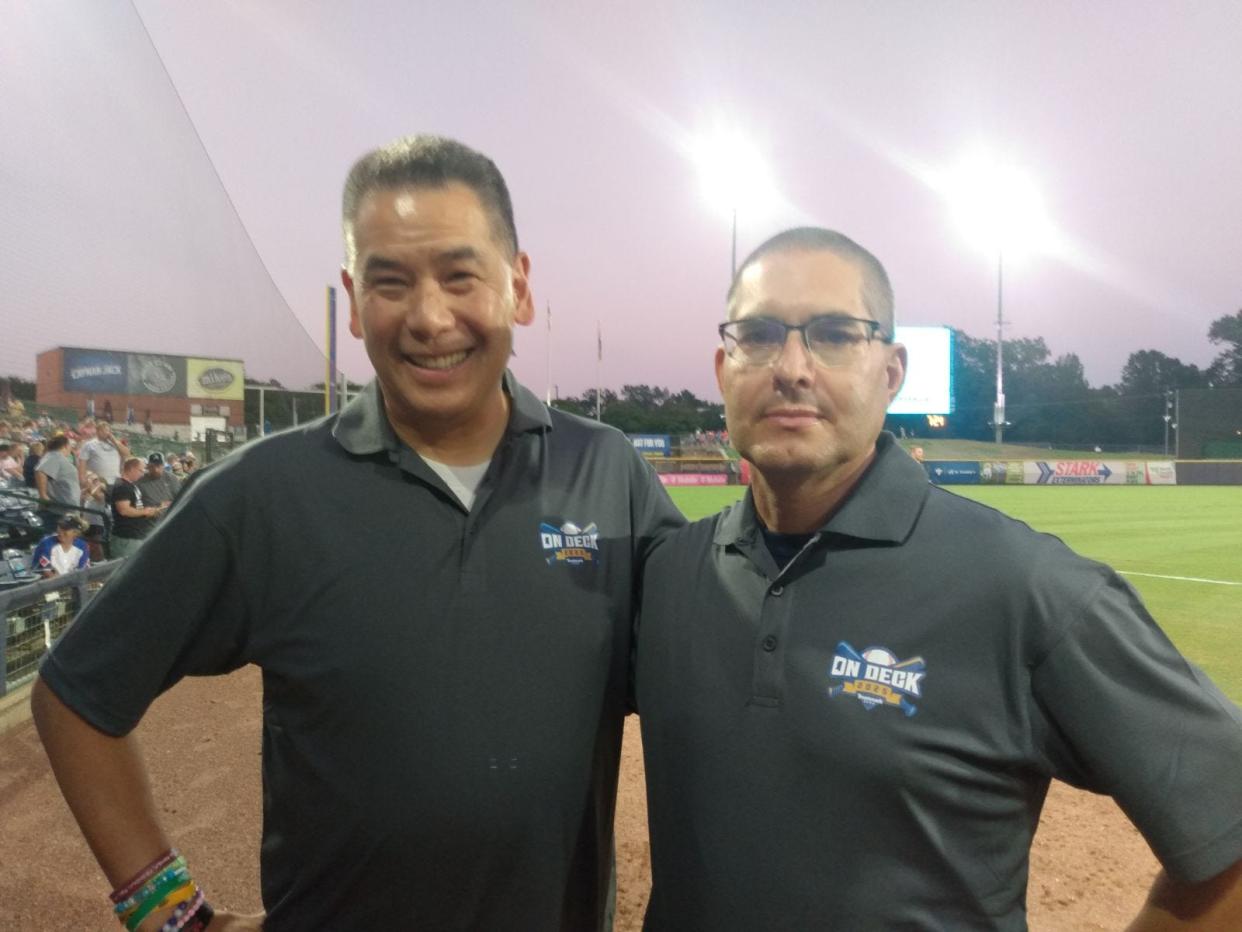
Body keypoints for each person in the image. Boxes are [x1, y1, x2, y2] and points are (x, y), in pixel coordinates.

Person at [32, 134, 681, 931]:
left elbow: (723, 672)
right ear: (353, 296)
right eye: (390, 282)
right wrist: (169, 912)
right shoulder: (263, 493)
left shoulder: (608, 472)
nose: (429, 317)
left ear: (519, 287)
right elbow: (75, 696)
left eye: (459, 275)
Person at [635, 227, 1242, 930]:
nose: (792, 366)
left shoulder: (1023, 585)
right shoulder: (671, 574)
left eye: (834, 334)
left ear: (891, 373)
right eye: (760, 334)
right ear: (722, 367)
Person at [108, 456, 163, 558]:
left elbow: (135, 507)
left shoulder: (130, 485)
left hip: (135, 536)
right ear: (132, 469)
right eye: (140, 471)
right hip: (126, 537)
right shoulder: (122, 486)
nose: (142, 474)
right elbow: (123, 510)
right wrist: (144, 512)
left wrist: (151, 510)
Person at [35, 434, 82, 518]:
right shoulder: (55, 456)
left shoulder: (55, 456)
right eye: (70, 445)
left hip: (65, 509)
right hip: (58, 512)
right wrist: (43, 495)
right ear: (65, 446)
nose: (71, 448)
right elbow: (40, 471)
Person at [77, 418, 128, 489]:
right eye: (103, 430)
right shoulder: (89, 445)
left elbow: (126, 453)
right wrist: (83, 481)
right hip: (97, 483)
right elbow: (82, 464)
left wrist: (114, 440)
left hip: (115, 482)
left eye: (107, 430)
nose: (106, 432)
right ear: (97, 431)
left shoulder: (115, 444)